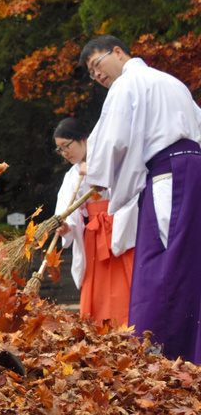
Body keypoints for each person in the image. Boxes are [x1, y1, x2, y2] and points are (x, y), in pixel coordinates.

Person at [81, 34, 201, 363]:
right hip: (191, 171)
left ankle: (160, 355)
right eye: (92, 73)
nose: (97, 76)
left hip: (168, 177)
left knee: (161, 264)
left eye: (97, 65)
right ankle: (189, 352)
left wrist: (98, 176)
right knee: (190, 261)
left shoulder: (128, 84)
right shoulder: (174, 83)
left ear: (118, 52)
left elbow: (113, 140)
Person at [53, 117, 134, 326]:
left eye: (67, 146)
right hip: (94, 235)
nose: (65, 153)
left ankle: (130, 324)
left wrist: (95, 171)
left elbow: (128, 183)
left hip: (121, 226)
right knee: (97, 284)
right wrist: (66, 225)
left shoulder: (111, 160)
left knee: (127, 278)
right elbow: (68, 207)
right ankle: (100, 328)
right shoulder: (72, 176)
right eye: (60, 149)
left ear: (84, 139)